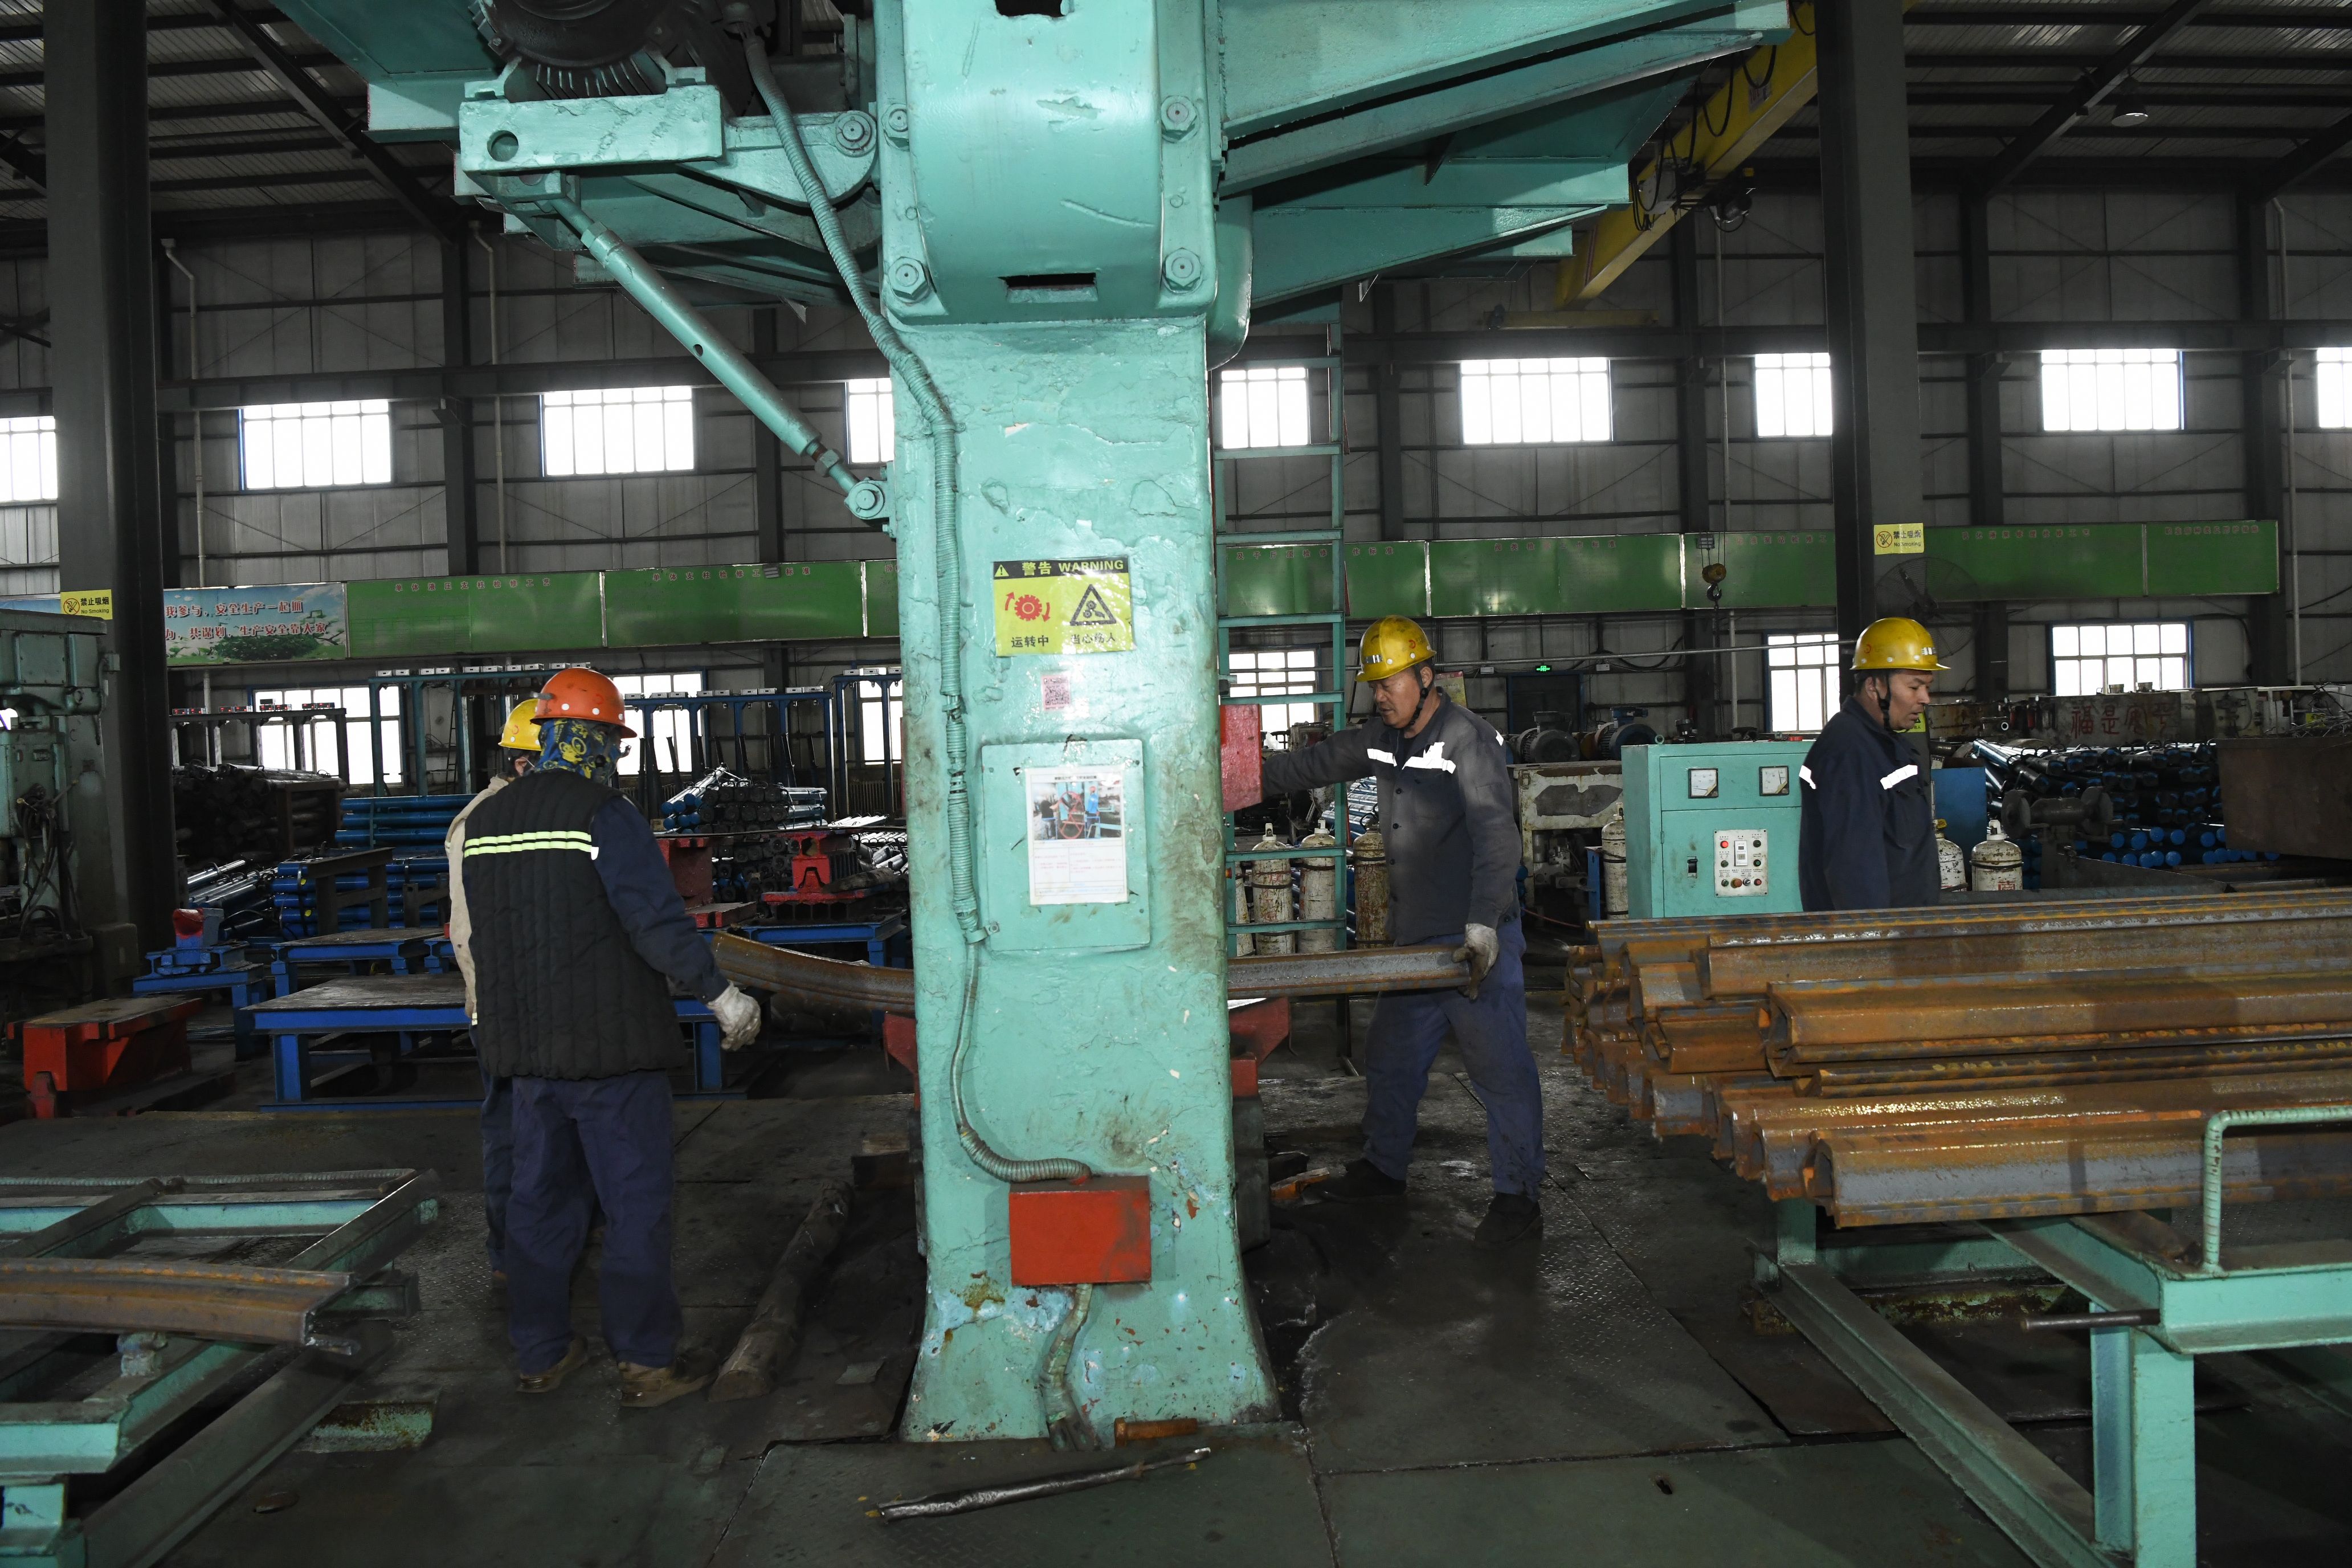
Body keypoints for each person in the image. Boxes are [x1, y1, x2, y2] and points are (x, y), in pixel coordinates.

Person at [459, 666, 765, 1406]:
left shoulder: (485, 824)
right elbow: (653, 921)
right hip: (611, 1054)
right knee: (634, 1206)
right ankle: (646, 1363)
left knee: (538, 1205)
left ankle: (541, 1354)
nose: (614, 756)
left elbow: (484, 936)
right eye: (612, 741)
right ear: (594, 738)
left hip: (526, 1058)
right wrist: (719, 995)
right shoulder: (605, 814)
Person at [1252, 616, 1541, 1250]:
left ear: (1427, 678)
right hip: (1417, 946)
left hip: (1472, 943)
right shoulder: (1384, 739)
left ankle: (1518, 1197)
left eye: (1391, 684)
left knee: (1500, 1071)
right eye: (1375, 685)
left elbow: (1498, 836)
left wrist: (1483, 926)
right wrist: (1236, 778)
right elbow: (1313, 763)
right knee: (1391, 1059)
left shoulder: (1468, 741)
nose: (1380, 696)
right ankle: (1383, 1169)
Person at [446, 697, 542, 1302]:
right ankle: (508, 1253)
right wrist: (496, 1005)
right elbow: (469, 931)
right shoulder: (481, 822)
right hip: (504, 1007)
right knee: (512, 1128)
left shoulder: (533, 812)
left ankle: (557, 1235)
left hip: (542, 999)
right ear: (525, 763)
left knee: (553, 1126)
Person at [1799, 616, 1945, 912]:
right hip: (1879, 932)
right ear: (1874, 686)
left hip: (1906, 928)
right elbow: (1854, 872)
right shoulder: (1850, 753)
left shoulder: (1883, 745)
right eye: (1914, 686)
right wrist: (1872, 938)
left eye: (1927, 686)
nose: (1925, 698)